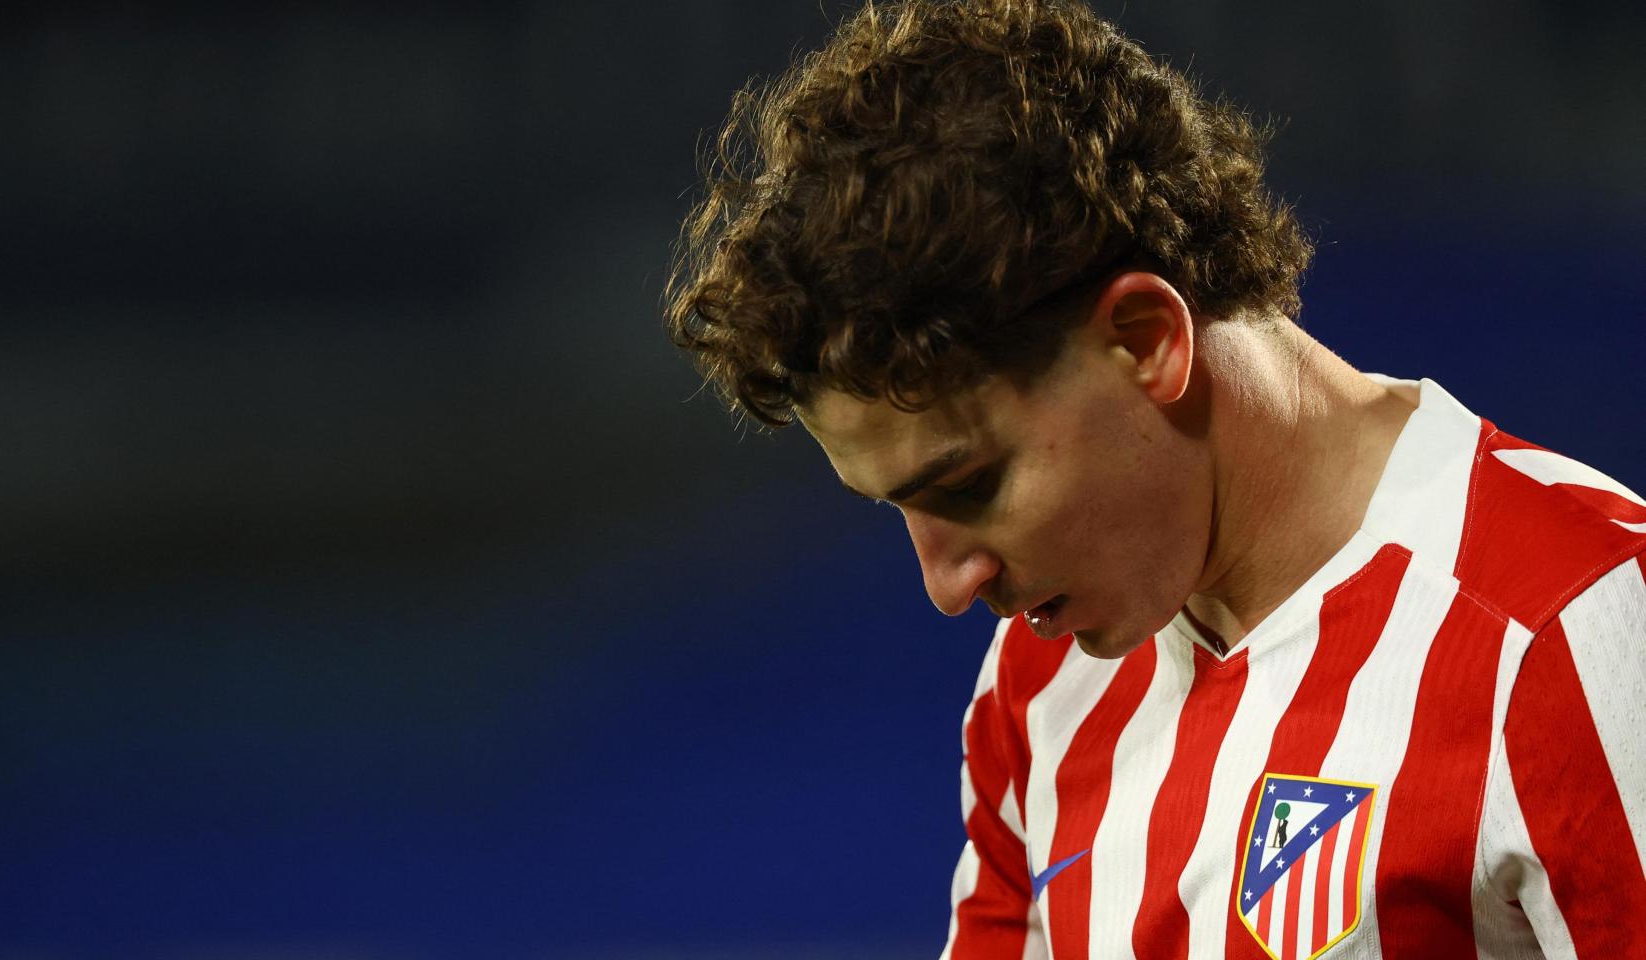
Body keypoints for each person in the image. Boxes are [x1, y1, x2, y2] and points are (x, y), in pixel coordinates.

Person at [661, 1, 1646, 956]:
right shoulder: (1038, 684)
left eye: (966, 485)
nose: (946, 586)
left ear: (1145, 342)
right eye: (896, 510)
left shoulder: (1571, 631)